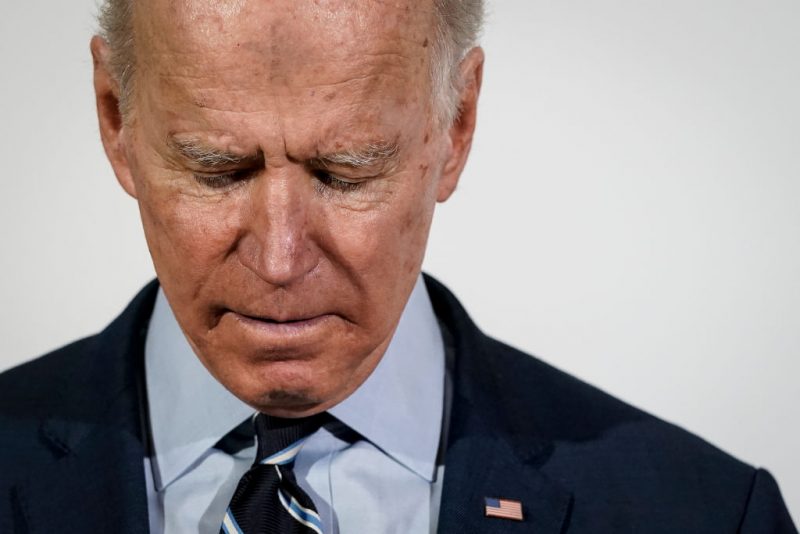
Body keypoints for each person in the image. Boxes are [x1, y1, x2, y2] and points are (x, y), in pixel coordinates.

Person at [0, 0, 796, 532]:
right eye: (217, 169)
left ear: (457, 126)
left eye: (348, 172)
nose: (280, 260)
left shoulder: (709, 515)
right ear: (114, 119)